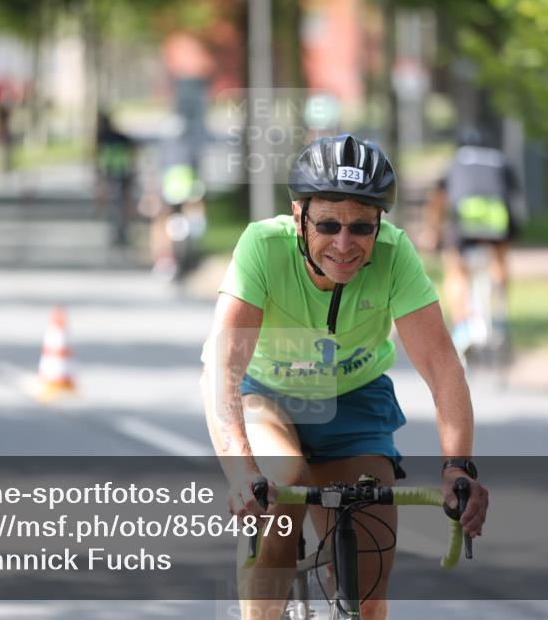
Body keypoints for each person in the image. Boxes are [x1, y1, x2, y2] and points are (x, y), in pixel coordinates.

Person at [202, 134, 488, 620]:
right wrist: (241, 471)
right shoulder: (263, 247)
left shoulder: (396, 256)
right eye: (328, 224)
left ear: (380, 223)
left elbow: (443, 368)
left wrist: (457, 466)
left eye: (361, 227)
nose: (344, 243)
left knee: (371, 573)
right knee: (280, 484)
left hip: (354, 403)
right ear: (299, 216)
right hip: (267, 399)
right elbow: (224, 369)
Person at [421, 128, 522, 354]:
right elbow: (513, 195)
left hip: (464, 221)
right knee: (500, 258)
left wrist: (432, 232)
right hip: (497, 219)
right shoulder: (500, 161)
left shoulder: (454, 163)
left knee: (456, 269)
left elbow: (437, 202)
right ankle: (500, 315)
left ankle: (462, 325)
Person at [95, 112, 136, 246]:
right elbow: (133, 152)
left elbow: (97, 157)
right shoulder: (121, 137)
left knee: (110, 199)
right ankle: (125, 225)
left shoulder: (101, 137)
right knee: (124, 201)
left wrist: (97, 176)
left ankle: (116, 222)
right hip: (124, 171)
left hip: (111, 172)